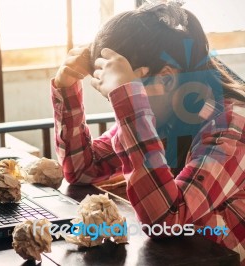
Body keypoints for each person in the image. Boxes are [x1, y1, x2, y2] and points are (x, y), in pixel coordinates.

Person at [51, 0, 245, 263]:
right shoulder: (164, 116)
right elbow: (83, 169)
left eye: (126, 91)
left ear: (165, 78)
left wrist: (128, 103)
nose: (118, 105)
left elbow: (165, 219)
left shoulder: (231, 125)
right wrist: (67, 86)